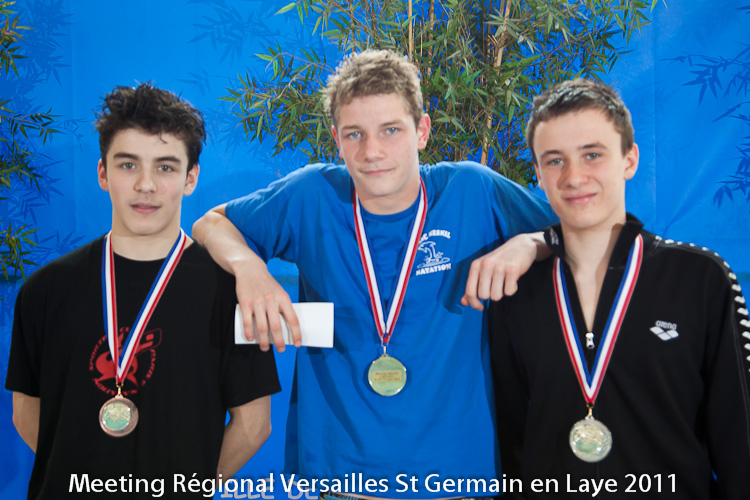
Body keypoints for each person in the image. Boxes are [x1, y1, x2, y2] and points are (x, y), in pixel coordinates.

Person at [192, 49, 556, 499]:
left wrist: (531, 242)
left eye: (391, 130)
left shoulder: (470, 190)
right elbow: (210, 224)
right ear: (336, 138)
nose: (372, 152)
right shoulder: (313, 195)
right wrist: (249, 266)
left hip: (458, 478)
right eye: (355, 134)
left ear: (422, 130)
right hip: (342, 478)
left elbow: (577, 236)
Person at [5, 83, 281, 499]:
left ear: (191, 178)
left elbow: (254, 425)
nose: (145, 184)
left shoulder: (229, 294)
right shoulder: (45, 290)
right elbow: (26, 411)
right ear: (103, 173)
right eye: (128, 165)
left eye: (165, 167)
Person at [489, 79, 750, 499]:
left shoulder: (701, 280)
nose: (574, 177)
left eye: (592, 154)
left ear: (629, 159)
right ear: (537, 173)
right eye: (554, 160)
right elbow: (513, 448)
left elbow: (740, 448)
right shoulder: (516, 292)